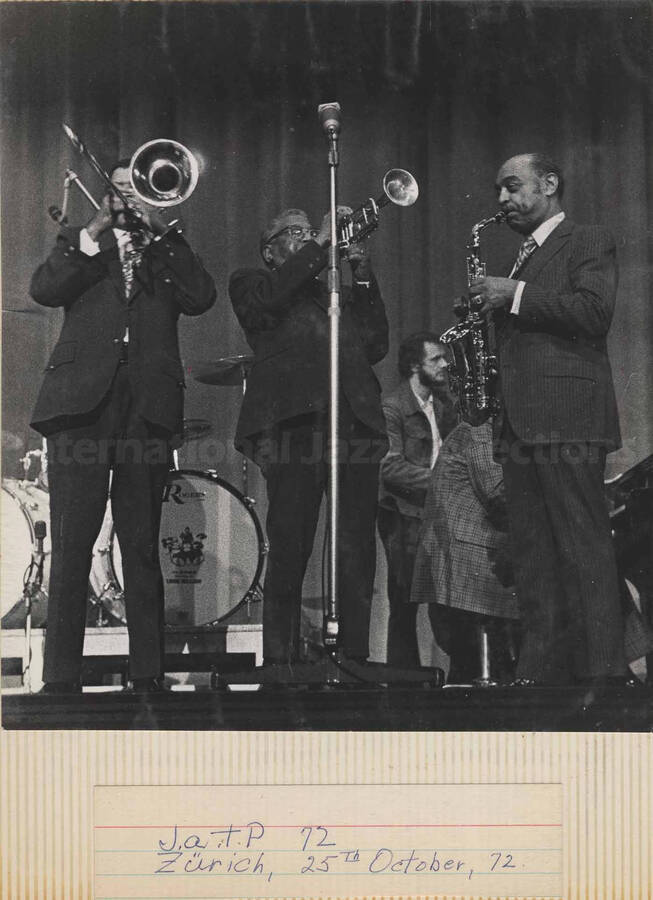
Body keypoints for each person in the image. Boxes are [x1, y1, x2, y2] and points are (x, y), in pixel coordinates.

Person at [30, 159, 216, 693]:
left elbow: (201, 297)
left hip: (147, 410)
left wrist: (160, 229)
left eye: (140, 190)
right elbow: (44, 288)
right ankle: (61, 677)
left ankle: (148, 674)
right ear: (102, 193)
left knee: (139, 544)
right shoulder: (83, 244)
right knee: (71, 543)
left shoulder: (166, 251)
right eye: (119, 189)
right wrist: (92, 229)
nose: (128, 199)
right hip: (79, 411)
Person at [468, 152, 627, 685]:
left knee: (583, 543)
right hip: (519, 423)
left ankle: (604, 670)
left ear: (550, 184)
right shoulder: (522, 255)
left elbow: (593, 312)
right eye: (498, 190)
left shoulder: (587, 239)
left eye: (512, 187)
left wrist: (512, 294)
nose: (502, 200)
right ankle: (537, 672)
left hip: (568, 417)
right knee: (533, 552)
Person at [229, 207, 388, 672]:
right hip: (294, 424)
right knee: (291, 539)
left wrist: (361, 273)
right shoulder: (252, 281)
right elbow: (268, 307)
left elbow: (375, 343)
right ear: (270, 251)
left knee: (357, 543)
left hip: (353, 421)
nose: (304, 238)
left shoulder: (330, 288)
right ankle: (281, 656)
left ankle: (355, 654)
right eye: (293, 233)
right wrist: (320, 242)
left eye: (306, 232)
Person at [410, 419, 520, 684]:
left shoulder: (483, 430)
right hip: (468, 569)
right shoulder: (482, 430)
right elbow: (499, 495)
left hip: (471, 561)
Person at [378, 333, 457, 668]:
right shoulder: (393, 407)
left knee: (450, 600)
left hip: (437, 511)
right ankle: (402, 682)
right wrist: (442, 482)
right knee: (405, 600)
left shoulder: (443, 405)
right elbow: (390, 466)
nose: (445, 364)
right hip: (404, 514)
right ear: (414, 366)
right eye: (435, 359)